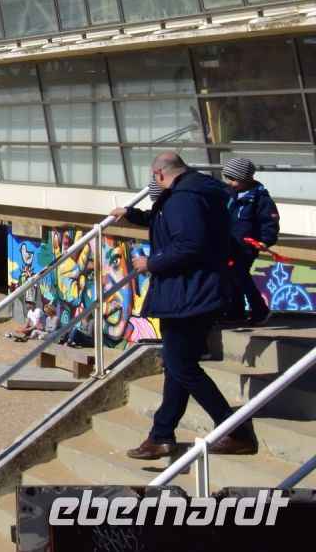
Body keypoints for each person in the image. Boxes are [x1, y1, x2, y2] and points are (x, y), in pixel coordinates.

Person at [111, 152, 256, 459]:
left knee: (182, 366)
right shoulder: (194, 193)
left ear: (160, 175)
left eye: (154, 179)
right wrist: (132, 214)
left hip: (187, 295)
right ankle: (161, 434)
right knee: (177, 366)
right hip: (195, 292)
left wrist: (151, 262)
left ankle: (236, 430)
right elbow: (168, 224)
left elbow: (189, 244)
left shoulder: (183, 199)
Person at [221, 156, 279, 325]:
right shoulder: (229, 195)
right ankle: (236, 310)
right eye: (228, 178)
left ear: (245, 178)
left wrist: (266, 240)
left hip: (246, 246)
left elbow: (269, 222)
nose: (230, 183)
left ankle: (260, 309)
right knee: (230, 276)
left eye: (234, 179)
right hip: (230, 245)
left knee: (240, 275)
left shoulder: (260, 199)